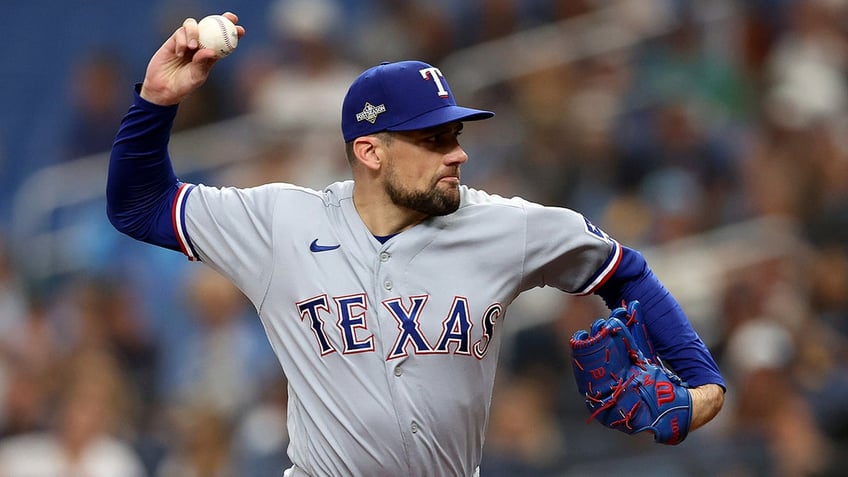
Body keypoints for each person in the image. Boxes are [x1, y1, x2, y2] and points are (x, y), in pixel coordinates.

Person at [106, 11, 725, 477]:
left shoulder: (506, 226)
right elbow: (138, 206)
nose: (456, 152)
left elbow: (626, 271)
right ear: (370, 151)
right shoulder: (280, 223)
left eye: (454, 133)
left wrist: (704, 387)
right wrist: (155, 103)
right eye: (432, 140)